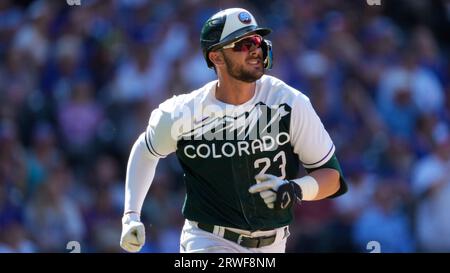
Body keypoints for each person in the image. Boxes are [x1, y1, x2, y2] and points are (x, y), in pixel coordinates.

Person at [120, 7, 347, 253]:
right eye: (243, 44)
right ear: (216, 57)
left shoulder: (289, 103)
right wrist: (131, 215)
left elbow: (331, 177)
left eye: (258, 41)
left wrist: (295, 189)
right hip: (208, 240)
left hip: (274, 244)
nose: (255, 50)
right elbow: (145, 149)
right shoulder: (185, 112)